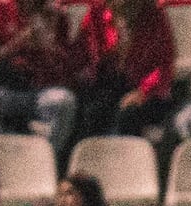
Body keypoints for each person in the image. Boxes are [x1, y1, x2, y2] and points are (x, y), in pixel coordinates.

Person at [0, 0, 77, 159]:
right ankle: (2, 160)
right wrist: (16, 45)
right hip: (6, 89)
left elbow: (67, 67)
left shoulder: (57, 14)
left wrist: (48, 46)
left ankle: (44, 162)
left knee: (64, 101)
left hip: (42, 92)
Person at [72, 0, 175, 139]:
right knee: (90, 111)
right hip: (109, 84)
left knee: (128, 115)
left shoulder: (154, 17)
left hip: (144, 90)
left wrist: (143, 92)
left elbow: (164, 65)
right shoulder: (97, 14)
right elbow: (82, 57)